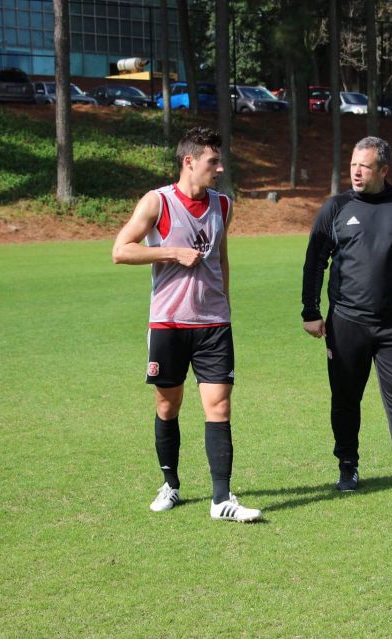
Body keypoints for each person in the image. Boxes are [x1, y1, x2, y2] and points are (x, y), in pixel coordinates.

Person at [112, 126, 261, 522]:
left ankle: (221, 499)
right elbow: (120, 251)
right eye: (213, 161)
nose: (220, 168)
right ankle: (171, 485)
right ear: (189, 162)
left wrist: (224, 303)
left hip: (214, 325)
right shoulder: (156, 202)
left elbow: (222, 258)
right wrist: (173, 252)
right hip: (168, 324)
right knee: (167, 404)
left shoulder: (223, 205)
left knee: (220, 407)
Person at [300, 136, 392, 501]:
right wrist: (311, 311)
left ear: (383, 169)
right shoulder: (335, 208)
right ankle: (347, 464)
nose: (356, 172)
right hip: (347, 322)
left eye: (364, 166)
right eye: (352, 165)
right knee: (346, 398)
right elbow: (315, 260)